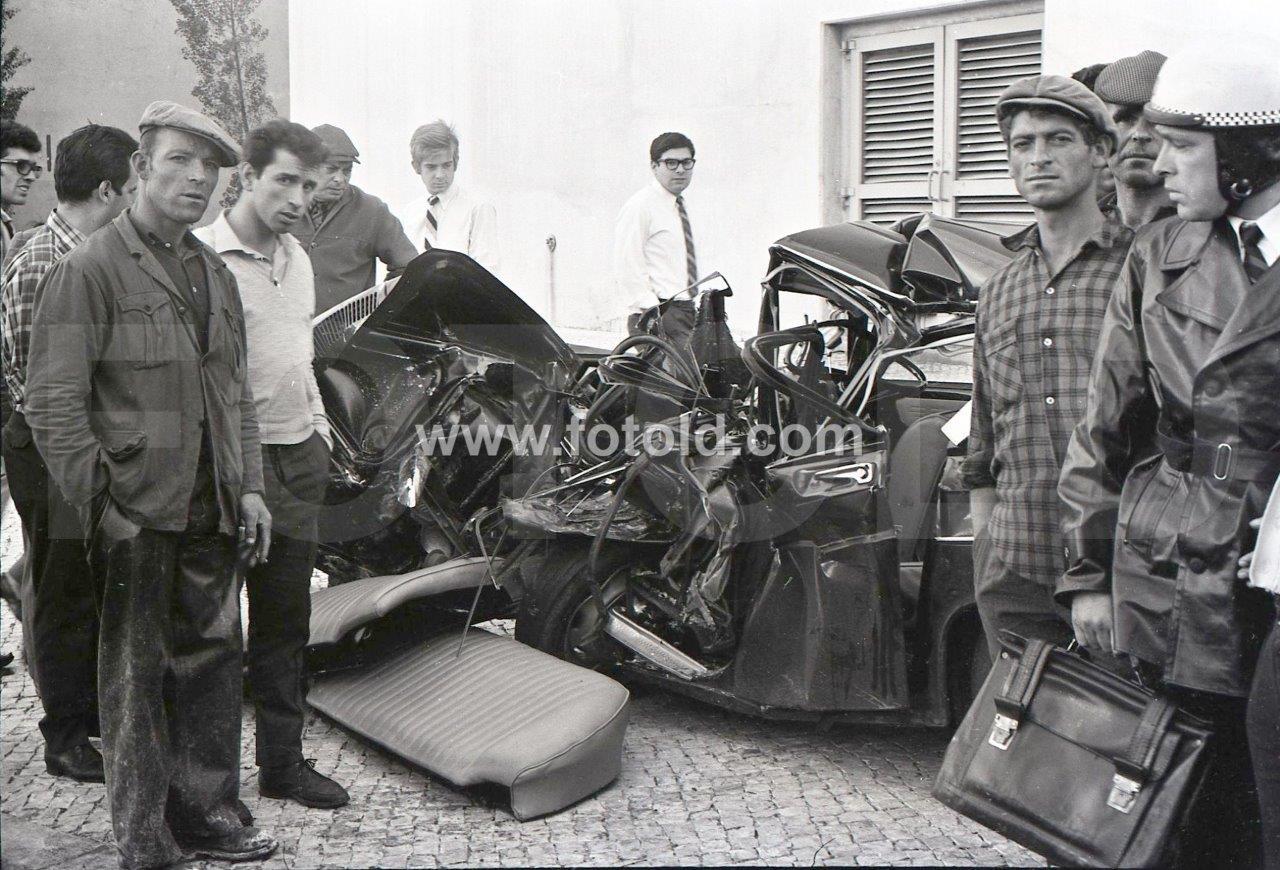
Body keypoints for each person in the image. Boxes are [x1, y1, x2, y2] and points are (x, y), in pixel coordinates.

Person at [24, 100, 276, 868]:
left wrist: (251, 488)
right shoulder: (89, 270)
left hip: (212, 504)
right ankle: (146, 841)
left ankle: (207, 816)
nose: (198, 178)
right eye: (179, 161)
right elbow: (52, 402)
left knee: (213, 664)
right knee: (134, 680)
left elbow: (234, 394)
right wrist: (101, 504)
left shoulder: (213, 273)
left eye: (212, 166)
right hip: (135, 509)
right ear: (140, 169)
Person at [1057, 48, 1280, 867]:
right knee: (1185, 818)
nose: (1156, 165)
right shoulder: (1157, 254)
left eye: (1183, 145)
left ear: (1252, 154)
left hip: (1268, 566)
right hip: (1175, 563)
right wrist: (1088, 575)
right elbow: (1105, 423)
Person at [194, 119, 349, 810]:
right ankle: (206, 788)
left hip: (297, 460)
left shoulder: (299, 259)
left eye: (309, 186)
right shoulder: (204, 260)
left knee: (285, 623)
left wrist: (318, 430)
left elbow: (300, 356)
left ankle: (282, 765)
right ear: (248, 177)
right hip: (226, 468)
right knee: (213, 632)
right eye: (285, 180)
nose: (297, 199)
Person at [960, 75, 1126, 661]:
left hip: (1119, 574)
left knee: (1125, 721)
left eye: (1058, 140)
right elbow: (984, 434)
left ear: (1100, 152)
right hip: (1016, 570)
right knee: (1018, 720)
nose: (1038, 158)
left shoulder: (1140, 268)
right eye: (1023, 144)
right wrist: (987, 550)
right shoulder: (999, 288)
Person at [1, 124, 139, 781]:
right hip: (49, 448)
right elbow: (39, 387)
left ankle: (89, 715)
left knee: (87, 585)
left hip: (84, 444)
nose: (136, 200)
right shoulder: (43, 261)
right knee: (63, 592)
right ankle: (64, 738)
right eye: (131, 188)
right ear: (106, 190)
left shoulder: (91, 254)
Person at [291, 124, 417, 313]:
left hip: (346, 330)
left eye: (347, 170)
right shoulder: (285, 206)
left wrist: (381, 308)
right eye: (331, 169)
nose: (340, 179)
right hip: (289, 326)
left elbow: (409, 267)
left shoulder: (373, 211)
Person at [0, 119, 42, 630]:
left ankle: (18, 580)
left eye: (35, 168)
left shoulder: (9, 226)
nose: (29, 176)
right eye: (19, 166)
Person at [613, 131, 702, 335]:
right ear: (654, 166)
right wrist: (652, 312)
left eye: (686, 162)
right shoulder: (640, 206)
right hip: (657, 314)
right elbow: (627, 265)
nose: (680, 169)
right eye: (671, 163)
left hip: (687, 311)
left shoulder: (681, 206)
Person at [394, 120, 500, 275]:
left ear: (455, 163)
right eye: (431, 167)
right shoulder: (410, 212)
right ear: (416, 167)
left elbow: (487, 271)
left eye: (446, 165)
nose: (440, 175)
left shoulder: (477, 208)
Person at [1093, 50, 1176, 229]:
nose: (1140, 134)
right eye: (1125, 119)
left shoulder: (1212, 236)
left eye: (1156, 121)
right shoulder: (1078, 234)